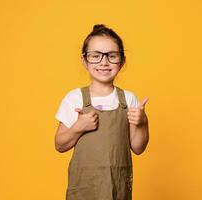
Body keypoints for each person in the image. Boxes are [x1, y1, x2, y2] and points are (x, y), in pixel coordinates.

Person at [54, 24, 149, 200]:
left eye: (112, 56)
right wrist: (78, 127)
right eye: (96, 56)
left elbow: (138, 147)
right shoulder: (74, 98)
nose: (104, 62)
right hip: (84, 188)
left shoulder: (128, 99)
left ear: (122, 61)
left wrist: (143, 123)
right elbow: (59, 145)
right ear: (84, 60)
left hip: (117, 187)